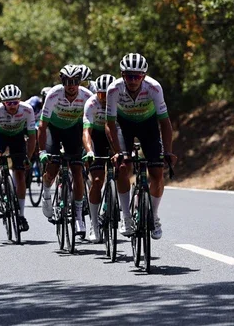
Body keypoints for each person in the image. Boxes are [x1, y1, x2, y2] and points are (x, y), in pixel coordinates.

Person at [105, 53, 177, 240]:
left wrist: (168, 151)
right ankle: (126, 217)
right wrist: (117, 152)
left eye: (137, 76)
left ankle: (154, 215)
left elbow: (165, 122)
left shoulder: (154, 87)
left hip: (148, 126)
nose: (133, 80)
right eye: (129, 76)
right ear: (122, 75)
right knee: (123, 167)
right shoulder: (114, 89)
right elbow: (110, 124)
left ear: (143, 76)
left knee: (157, 173)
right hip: (124, 126)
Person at [38, 64, 94, 236]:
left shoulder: (87, 96)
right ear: (62, 82)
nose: (71, 85)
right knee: (52, 168)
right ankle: (46, 194)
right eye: (68, 81)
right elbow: (42, 126)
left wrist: (91, 149)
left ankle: (78, 216)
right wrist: (42, 151)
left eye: (75, 81)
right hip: (53, 130)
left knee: (77, 170)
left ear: (80, 82)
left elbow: (92, 123)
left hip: (73, 131)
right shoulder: (53, 94)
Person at [0, 84, 37, 232]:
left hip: (18, 137)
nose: (12, 106)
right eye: (8, 103)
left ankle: (21, 215)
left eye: (15, 102)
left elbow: (32, 137)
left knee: (20, 175)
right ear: (3, 103)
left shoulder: (27, 110)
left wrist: (28, 158)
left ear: (19, 101)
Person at [82, 73, 116, 242]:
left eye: (108, 95)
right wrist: (89, 151)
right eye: (101, 95)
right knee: (96, 181)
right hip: (96, 138)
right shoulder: (91, 103)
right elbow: (86, 131)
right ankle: (94, 224)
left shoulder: (119, 101)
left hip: (114, 136)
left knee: (124, 169)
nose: (105, 99)